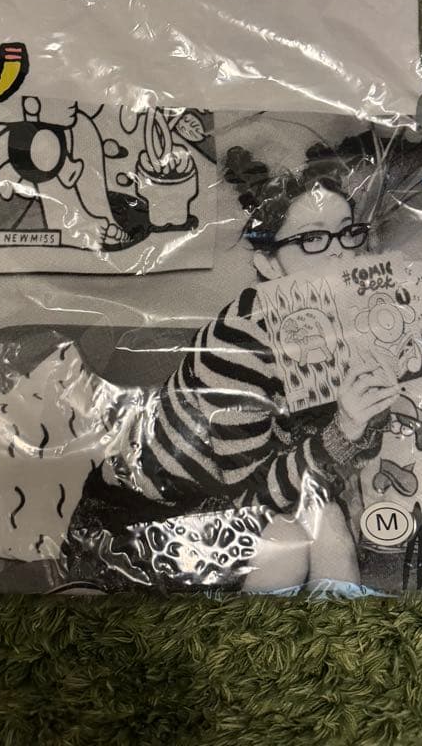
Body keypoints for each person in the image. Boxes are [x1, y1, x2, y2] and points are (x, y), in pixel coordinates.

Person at [84, 145, 402, 592]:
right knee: (286, 549)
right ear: (267, 263)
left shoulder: (347, 321)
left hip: (241, 493)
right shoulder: (240, 339)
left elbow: (331, 457)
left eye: (348, 233)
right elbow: (253, 493)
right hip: (143, 514)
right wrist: (346, 428)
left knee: (330, 524)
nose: (339, 255)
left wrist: (370, 409)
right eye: (312, 239)